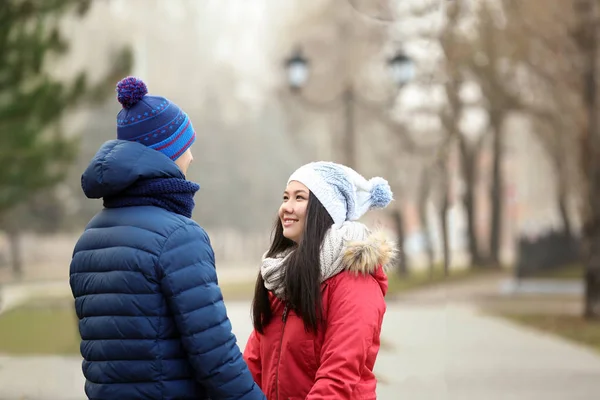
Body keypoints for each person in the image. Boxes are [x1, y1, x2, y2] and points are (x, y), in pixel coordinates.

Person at [69, 76, 265, 400]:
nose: (192, 157)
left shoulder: (88, 238)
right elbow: (215, 356)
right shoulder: (179, 237)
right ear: (168, 152)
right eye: (186, 146)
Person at [243, 161, 395, 399]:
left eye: (299, 198)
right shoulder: (281, 278)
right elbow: (253, 365)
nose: (286, 208)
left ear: (325, 209)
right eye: (285, 198)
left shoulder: (354, 282)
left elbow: (338, 376)